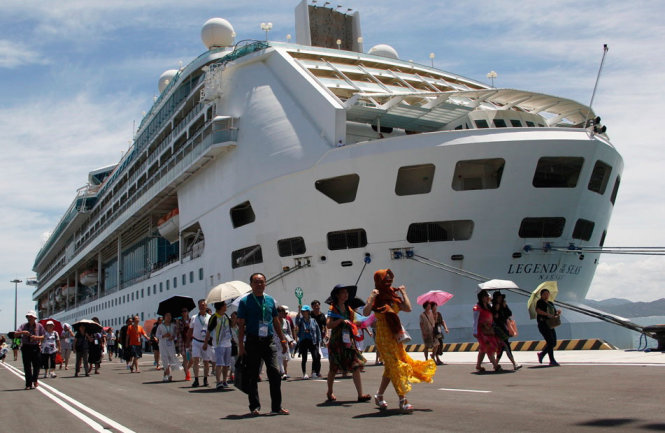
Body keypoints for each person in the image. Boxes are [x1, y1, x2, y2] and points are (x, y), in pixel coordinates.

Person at [362, 269, 436, 412]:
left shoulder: (392, 295)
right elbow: (365, 312)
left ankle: (379, 395)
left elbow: (408, 308)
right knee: (396, 366)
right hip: (383, 337)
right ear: (379, 280)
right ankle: (403, 400)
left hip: (395, 336)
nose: (389, 281)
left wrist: (403, 293)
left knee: (390, 368)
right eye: (386, 278)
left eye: (390, 278)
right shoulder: (376, 297)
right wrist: (371, 297)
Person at [237, 272, 290, 416]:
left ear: (265, 283)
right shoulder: (245, 302)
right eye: (256, 282)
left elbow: (276, 321)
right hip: (253, 341)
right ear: (251, 285)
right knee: (253, 375)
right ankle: (254, 406)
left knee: (275, 372)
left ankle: (276, 407)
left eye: (262, 282)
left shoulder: (270, 300)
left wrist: (283, 339)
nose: (259, 284)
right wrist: (241, 346)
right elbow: (241, 325)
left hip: (269, 341)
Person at [325, 284, 370, 402]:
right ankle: (329, 391)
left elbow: (356, 320)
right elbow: (329, 324)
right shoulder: (333, 308)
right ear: (337, 295)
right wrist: (340, 320)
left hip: (348, 342)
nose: (346, 295)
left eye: (347, 293)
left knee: (355, 365)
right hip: (336, 342)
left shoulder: (348, 308)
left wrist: (369, 321)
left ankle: (360, 395)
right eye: (343, 292)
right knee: (333, 369)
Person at [203, 301, 233, 389]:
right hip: (218, 344)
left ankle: (224, 380)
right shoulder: (214, 317)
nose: (226, 306)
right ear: (221, 306)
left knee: (226, 364)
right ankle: (218, 382)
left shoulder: (226, 316)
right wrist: (205, 343)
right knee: (219, 363)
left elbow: (231, 327)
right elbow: (208, 330)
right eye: (224, 305)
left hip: (228, 343)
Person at [15, 310, 45, 389]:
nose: (29, 318)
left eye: (31, 317)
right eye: (28, 317)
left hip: (35, 346)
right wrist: (23, 332)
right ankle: (28, 384)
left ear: (34, 318)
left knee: (37, 365)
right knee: (27, 366)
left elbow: (43, 336)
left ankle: (35, 379)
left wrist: (36, 338)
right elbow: (15, 334)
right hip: (26, 347)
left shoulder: (39, 326)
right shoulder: (23, 326)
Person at [473, 290, 501, 373]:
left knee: (483, 348)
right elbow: (475, 320)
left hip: (489, 329)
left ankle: (478, 365)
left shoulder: (489, 306)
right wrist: (475, 331)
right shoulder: (477, 307)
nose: (487, 297)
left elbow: (493, 315)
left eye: (487, 296)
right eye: (485, 296)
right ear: (481, 298)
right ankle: (495, 365)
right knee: (488, 345)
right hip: (481, 330)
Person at [492, 291, 521, 370]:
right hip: (498, 329)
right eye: (498, 297)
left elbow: (509, 313)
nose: (500, 299)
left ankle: (496, 364)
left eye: (501, 297)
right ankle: (514, 363)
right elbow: (494, 318)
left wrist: (504, 307)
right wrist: (496, 310)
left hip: (504, 327)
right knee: (506, 345)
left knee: (502, 347)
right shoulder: (493, 306)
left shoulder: (503, 305)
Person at [189, 299, 213, 387]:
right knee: (196, 361)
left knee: (206, 362)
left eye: (204, 305)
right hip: (196, 341)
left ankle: (205, 379)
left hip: (206, 342)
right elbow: (190, 330)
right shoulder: (194, 317)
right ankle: (196, 379)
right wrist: (188, 342)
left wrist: (208, 342)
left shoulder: (210, 318)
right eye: (200, 305)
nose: (202, 306)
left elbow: (212, 331)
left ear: (206, 306)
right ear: (198, 306)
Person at [536, 289, 561, 366]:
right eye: (545, 294)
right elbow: (538, 311)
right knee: (550, 342)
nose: (546, 295)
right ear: (541, 295)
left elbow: (554, 313)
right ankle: (552, 360)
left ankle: (542, 354)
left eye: (547, 294)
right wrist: (547, 314)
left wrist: (557, 313)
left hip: (550, 324)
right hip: (543, 324)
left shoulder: (550, 303)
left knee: (553, 343)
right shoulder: (540, 302)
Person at [295, 305, 321, 379]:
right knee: (304, 358)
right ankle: (304, 373)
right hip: (304, 340)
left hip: (312, 340)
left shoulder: (313, 320)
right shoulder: (301, 320)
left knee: (315, 356)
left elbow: (317, 330)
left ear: (308, 312)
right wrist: (299, 311)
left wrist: (319, 340)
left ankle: (313, 372)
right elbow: (297, 321)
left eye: (304, 311)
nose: (303, 312)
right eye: (302, 311)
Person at [156, 312, 178, 382]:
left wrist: (173, 337)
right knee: (165, 359)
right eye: (167, 316)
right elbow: (157, 335)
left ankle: (165, 375)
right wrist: (163, 336)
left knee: (171, 358)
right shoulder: (160, 326)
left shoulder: (173, 325)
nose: (169, 317)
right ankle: (169, 375)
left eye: (170, 316)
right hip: (163, 344)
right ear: (164, 317)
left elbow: (176, 335)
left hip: (170, 344)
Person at [276, 306, 294, 379]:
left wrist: (291, 341)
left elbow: (289, 332)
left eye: (283, 313)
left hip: (285, 341)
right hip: (276, 341)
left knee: (285, 357)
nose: (283, 314)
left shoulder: (286, 321)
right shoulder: (274, 321)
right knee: (279, 357)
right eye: (280, 312)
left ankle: (285, 372)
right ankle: (282, 372)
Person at [177, 308, 193, 381]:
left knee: (192, 359)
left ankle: (186, 368)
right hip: (182, 340)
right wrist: (182, 326)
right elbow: (178, 331)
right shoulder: (179, 321)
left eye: (185, 311)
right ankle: (187, 374)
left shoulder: (191, 320)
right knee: (185, 358)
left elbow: (193, 329)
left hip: (190, 340)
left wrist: (188, 325)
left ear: (188, 312)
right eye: (183, 311)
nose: (184, 313)